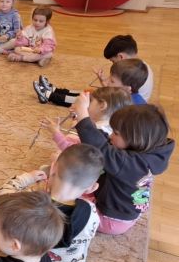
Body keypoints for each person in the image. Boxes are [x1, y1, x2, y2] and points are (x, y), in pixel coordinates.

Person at [0, 145, 104, 262]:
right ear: (92, 188)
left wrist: (27, 178)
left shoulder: (31, 204)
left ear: (52, 168)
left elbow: (3, 194)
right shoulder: (91, 211)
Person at [71, 95, 175, 235]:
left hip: (111, 219)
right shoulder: (149, 156)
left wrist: (83, 117)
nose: (111, 135)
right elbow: (106, 143)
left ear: (135, 139)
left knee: (67, 203)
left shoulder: (131, 164)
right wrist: (87, 125)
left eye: (116, 133)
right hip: (125, 211)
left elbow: (102, 149)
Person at [42, 87, 131, 151]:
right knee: (70, 137)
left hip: (81, 162)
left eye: (91, 101)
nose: (87, 104)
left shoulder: (98, 131)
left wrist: (56, 132)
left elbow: (70, 150)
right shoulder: (109, 124)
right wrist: (78, 116)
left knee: (56, 157)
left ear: (102, 106)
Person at [34, 58, 149, 106]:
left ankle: (48, 95)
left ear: (128, 88)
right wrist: (102, 80)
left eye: (112, 80)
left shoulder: (128, 103)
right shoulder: (126, 92)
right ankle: (54, 90)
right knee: (86, 92)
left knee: (82, 98)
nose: (108, 81)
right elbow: (109, 89)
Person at [103, 34, 153, 102]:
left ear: (121, 57)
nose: (113, 64)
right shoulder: (141, 67)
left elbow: (116, 97)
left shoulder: (131, 75)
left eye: (113, 61)